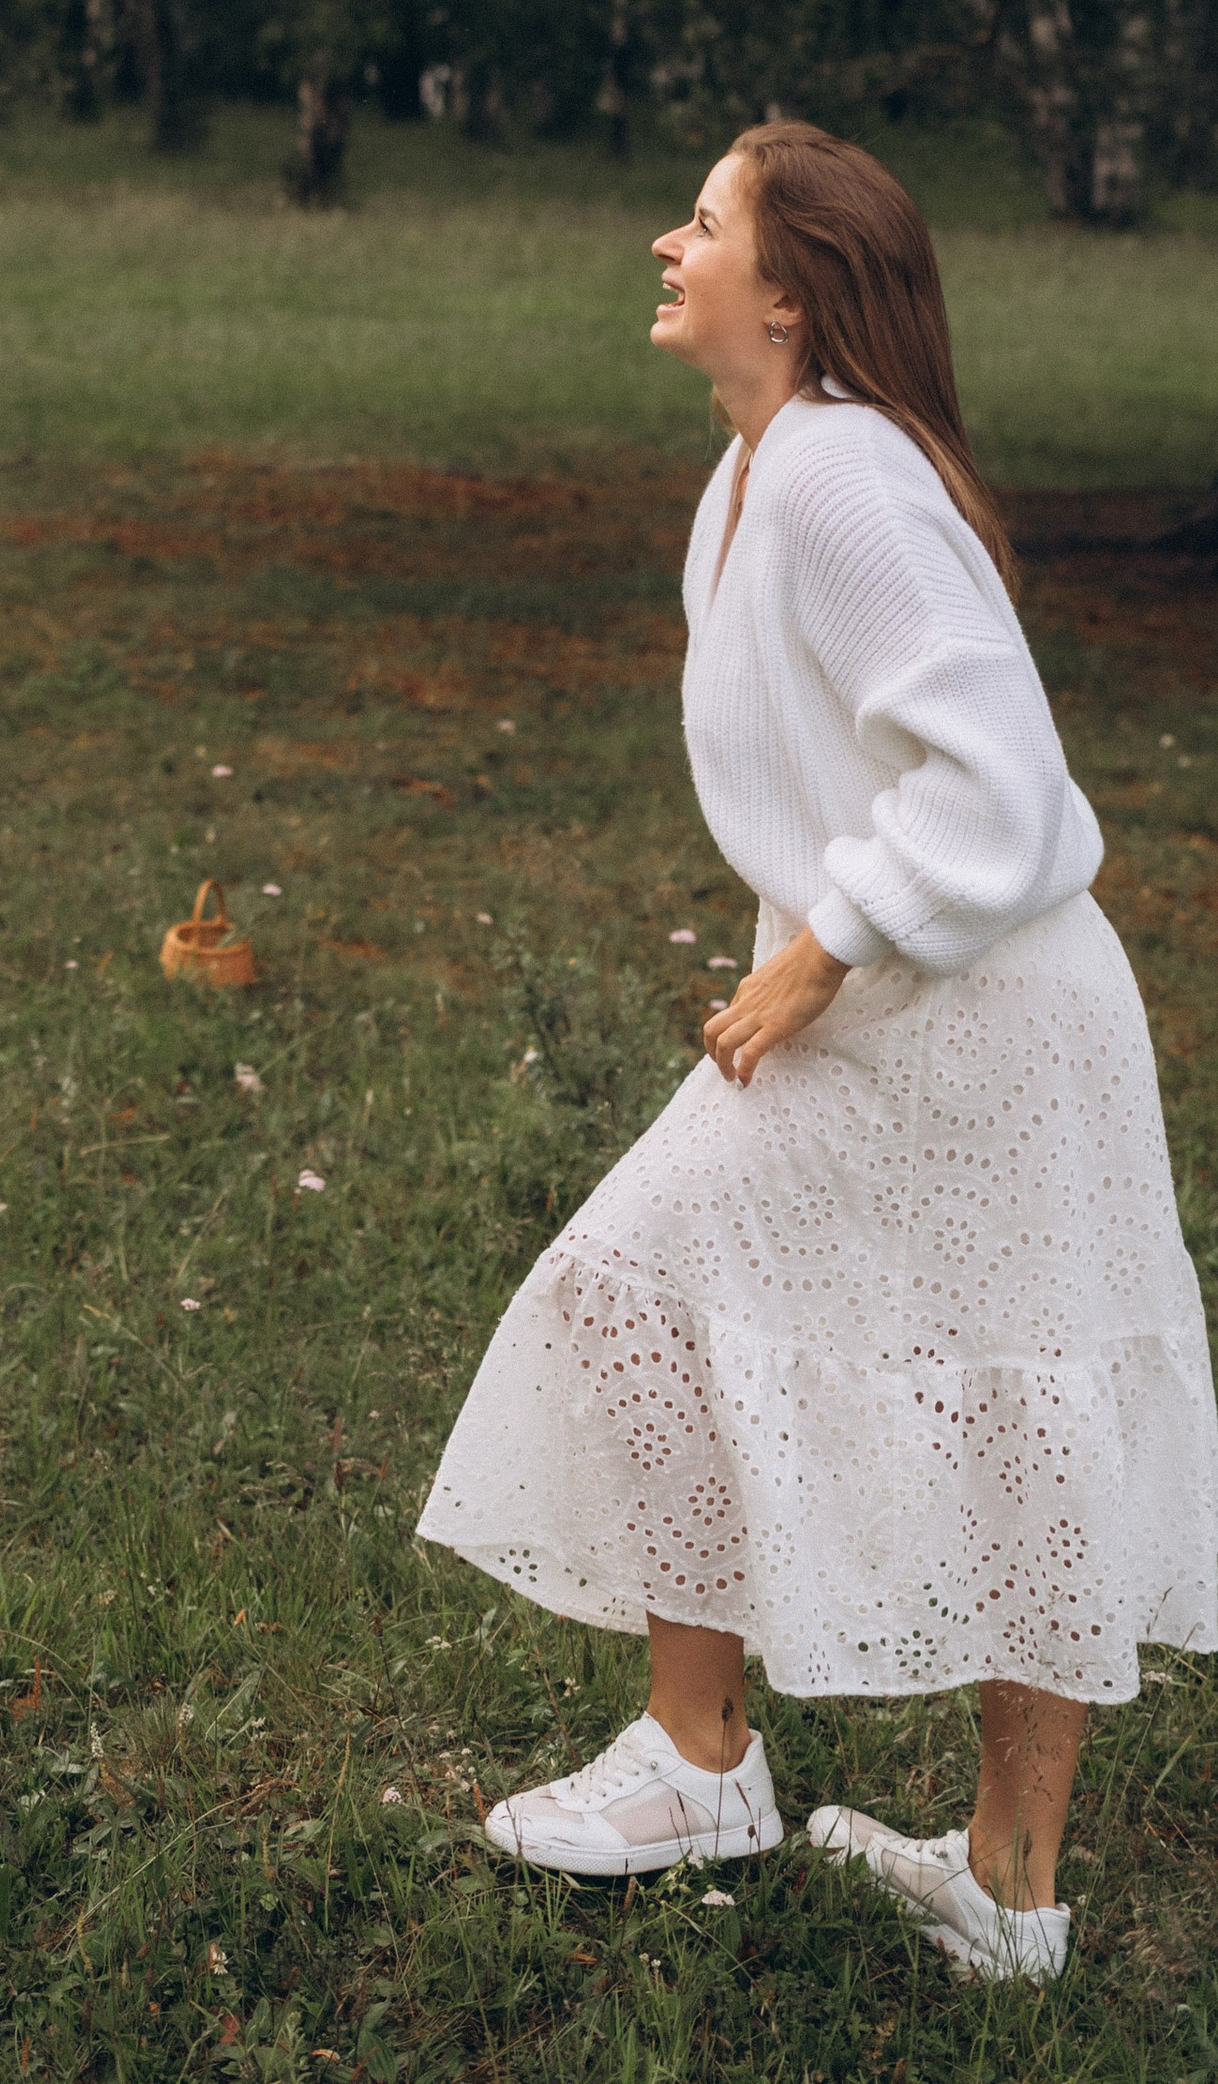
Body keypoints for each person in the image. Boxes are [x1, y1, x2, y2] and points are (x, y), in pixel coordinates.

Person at [418, 121, 1217, 1988]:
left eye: (698, 225)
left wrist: (824, 949)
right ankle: (722, 1767)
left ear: (788, 291)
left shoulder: (841, 479)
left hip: (990, 1017)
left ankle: (975, 1878)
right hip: (915, 1006)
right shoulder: (764, 468)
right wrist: (822, 948)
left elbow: (1006, 782)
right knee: (672, 1291)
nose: (660, 244)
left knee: (1002, 1392)